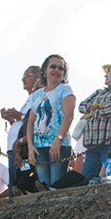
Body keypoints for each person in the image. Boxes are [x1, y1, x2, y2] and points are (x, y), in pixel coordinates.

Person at [25, 54, 76, 187]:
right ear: (44, 70)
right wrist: (30, 146)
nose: (57, 70)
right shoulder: (36, 94)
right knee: (43, 185)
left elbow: (69, 116)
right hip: (39, 146)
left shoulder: (65, 89)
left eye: (61, 68)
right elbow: (31, 121)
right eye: (53, 67)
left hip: (59, 144)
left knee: (55, 185)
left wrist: (58, 139)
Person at [78, 59, 111, 181]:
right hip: (92, 144)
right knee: (86, 179)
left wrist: (92, 112)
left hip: (110, 143)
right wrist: (99, 105)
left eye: (109, 71)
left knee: (106, 178)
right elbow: (81, 106)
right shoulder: (99, 92)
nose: (105, 75)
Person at [0, 64, 42, 195]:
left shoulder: (39, 97)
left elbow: (35, 120)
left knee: (25, 178)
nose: (23, 79)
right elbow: (23, 123)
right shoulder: (29, 99)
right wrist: (11, 119)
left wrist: (18, 115)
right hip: (15, 149)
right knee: (16, 180)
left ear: (38, 78)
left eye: (27, 75)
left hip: (24, 149)